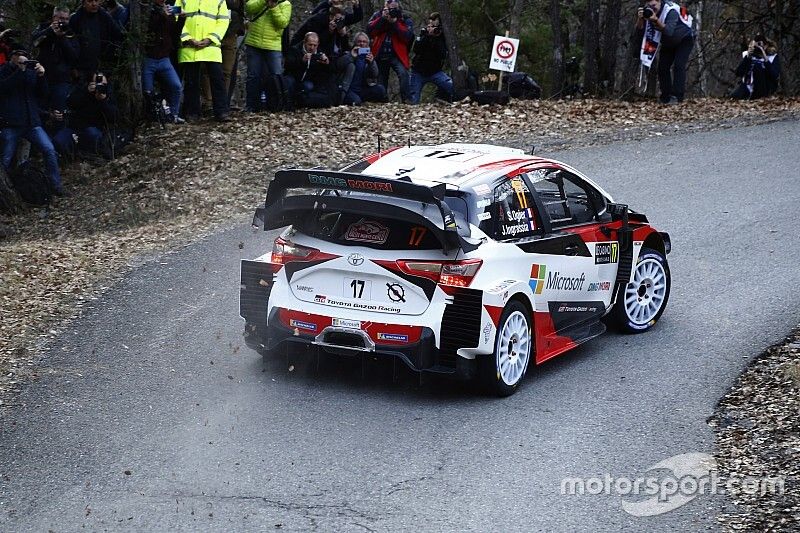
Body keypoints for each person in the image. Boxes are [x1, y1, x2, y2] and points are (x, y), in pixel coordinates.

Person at [0, 51, 65, 195]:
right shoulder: (3, 71)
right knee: (5, 158)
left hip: (31, 122)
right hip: (11, 124)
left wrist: (41, 76)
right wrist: (20, 71)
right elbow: (4, 88)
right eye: (18, 55)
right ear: (12, 57)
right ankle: (5, 194)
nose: (22, 59)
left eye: (24, 56)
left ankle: (56, 186)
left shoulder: (30, 72)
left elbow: (43, 93)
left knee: (49, 149)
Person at [176, 0, 231, 121]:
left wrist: (210, 39)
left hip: (211, 47)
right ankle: (192, 113)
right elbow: (176, 17)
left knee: (217, 79)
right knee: (191, 81)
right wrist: (188, 38)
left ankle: (221, 112)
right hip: (189, 47)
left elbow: (223, 20)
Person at [636, 0, 694, 104]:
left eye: (654, 6)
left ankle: (677, 97)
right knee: (662, 68)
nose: (652, 8)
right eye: (649, 6)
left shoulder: (671, 10)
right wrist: (640, 19)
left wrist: (656, 20)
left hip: (684, 39)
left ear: (659, 1)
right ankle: (665, 96)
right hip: (668, 42)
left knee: (679, 65)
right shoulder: (647, 11)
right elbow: (640, 29)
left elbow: (669, 31)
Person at [53, 72, 118, 160]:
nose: (100, 86)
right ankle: (69, 158)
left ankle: (90, 156)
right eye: (97, 83)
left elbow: (114, 117)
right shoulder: (83, 90)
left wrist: (103, 101)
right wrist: (86, 92)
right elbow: (70, 102)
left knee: (92, 134)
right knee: (59, 140)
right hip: (75, 128)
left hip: (95, 129)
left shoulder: (108, 94)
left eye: (103, 84)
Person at [243, 0, 291, 112]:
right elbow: (249, 8)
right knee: (253, 76)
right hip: (254, 43)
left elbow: (283, 23)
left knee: (276, 75)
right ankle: (252, 106)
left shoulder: (286, 4)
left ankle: (278, 105)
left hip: (273, 45)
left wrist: (274, 8)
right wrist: (264, 2)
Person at [31, 7, 80, 111]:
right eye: (61, 18)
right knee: (40, 109)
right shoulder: (44, 27)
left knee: (59, 112)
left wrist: (62, 38)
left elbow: (74, 56)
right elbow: (34, 42)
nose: (64, 21)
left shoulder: (71, 33)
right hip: (43, 77)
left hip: (61, 80)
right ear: (54, 18)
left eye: (66, 19)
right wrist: (50, 31)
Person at [142, 0, 183, 123]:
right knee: (147, 92)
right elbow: (150, 29)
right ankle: (150, 118)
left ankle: (173, 115)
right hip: (149, 58)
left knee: (176, 86)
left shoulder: (168, 11)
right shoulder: (147, 10)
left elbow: (174, 33)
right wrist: (162, 15)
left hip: (164, 58)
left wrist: (181, 19)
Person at [367, 0, 413, 103]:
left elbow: (408, 36)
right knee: (381, 79)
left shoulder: (404, 18)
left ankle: (407, 100)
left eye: (393, 8)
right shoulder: (378, 15)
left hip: (397, 55)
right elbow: (369, 30)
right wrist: (382, 19)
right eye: (388, 6)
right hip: (380, 53)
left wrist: (394, 22)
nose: (390, 9)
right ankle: (382, 102)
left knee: (403, 74)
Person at [69, 0, 124, 77]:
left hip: (101, 65)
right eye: (90, 1)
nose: (94, 4)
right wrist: (73, 68)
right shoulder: (76, 18)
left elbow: (118, 34)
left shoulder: (104, 16)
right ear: (84, 3)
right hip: (81, 67)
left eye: (96, 0)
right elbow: (69, 44)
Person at [409, 11, 451, 104]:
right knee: (413, 99)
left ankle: (444, 99)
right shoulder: (423, 34)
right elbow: (416, 49)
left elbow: (443, 54)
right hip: (418, 72)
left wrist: (436, 37)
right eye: (430, 26)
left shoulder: (442, 37)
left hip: (435, 72)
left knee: (451, 86)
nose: (432, 28)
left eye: (434, 26)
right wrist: (427, 36)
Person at [284, 32, 334, 108]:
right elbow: (287, 65)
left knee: (308, 86)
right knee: (289, 81)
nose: (312, 48)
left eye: (315, 45)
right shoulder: (294, 50)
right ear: (304, 42)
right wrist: (302, 61)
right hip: (293, 77)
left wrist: (326, 63)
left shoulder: (320, 52)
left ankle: (300, 102)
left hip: (307, 81)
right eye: (310, 45)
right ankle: (288, 104)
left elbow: (325, 73)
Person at [731, 35, 781, 100]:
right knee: (733, 97)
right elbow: (738, 73)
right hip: (748, 85)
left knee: (758, 66)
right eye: (756, 45)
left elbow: (775, 75)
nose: (758, 47)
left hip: (764, 87)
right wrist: (748, 58)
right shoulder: (748, 56)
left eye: (760, 45)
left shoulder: (772, 57)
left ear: (766, 46)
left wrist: (765, 59)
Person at [342, 32, 386, 105]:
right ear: (355, 43)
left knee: (381, 90)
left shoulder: (368, 56)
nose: (361, 44)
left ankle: (362, 99)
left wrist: (371, 63)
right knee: (356, 101)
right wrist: (351, 56)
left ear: (367, 44)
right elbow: (340, 64)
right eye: (359, 41)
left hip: (363, 89)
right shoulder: (348, 54)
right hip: (349, 90)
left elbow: (375, 74)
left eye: (364, 42)